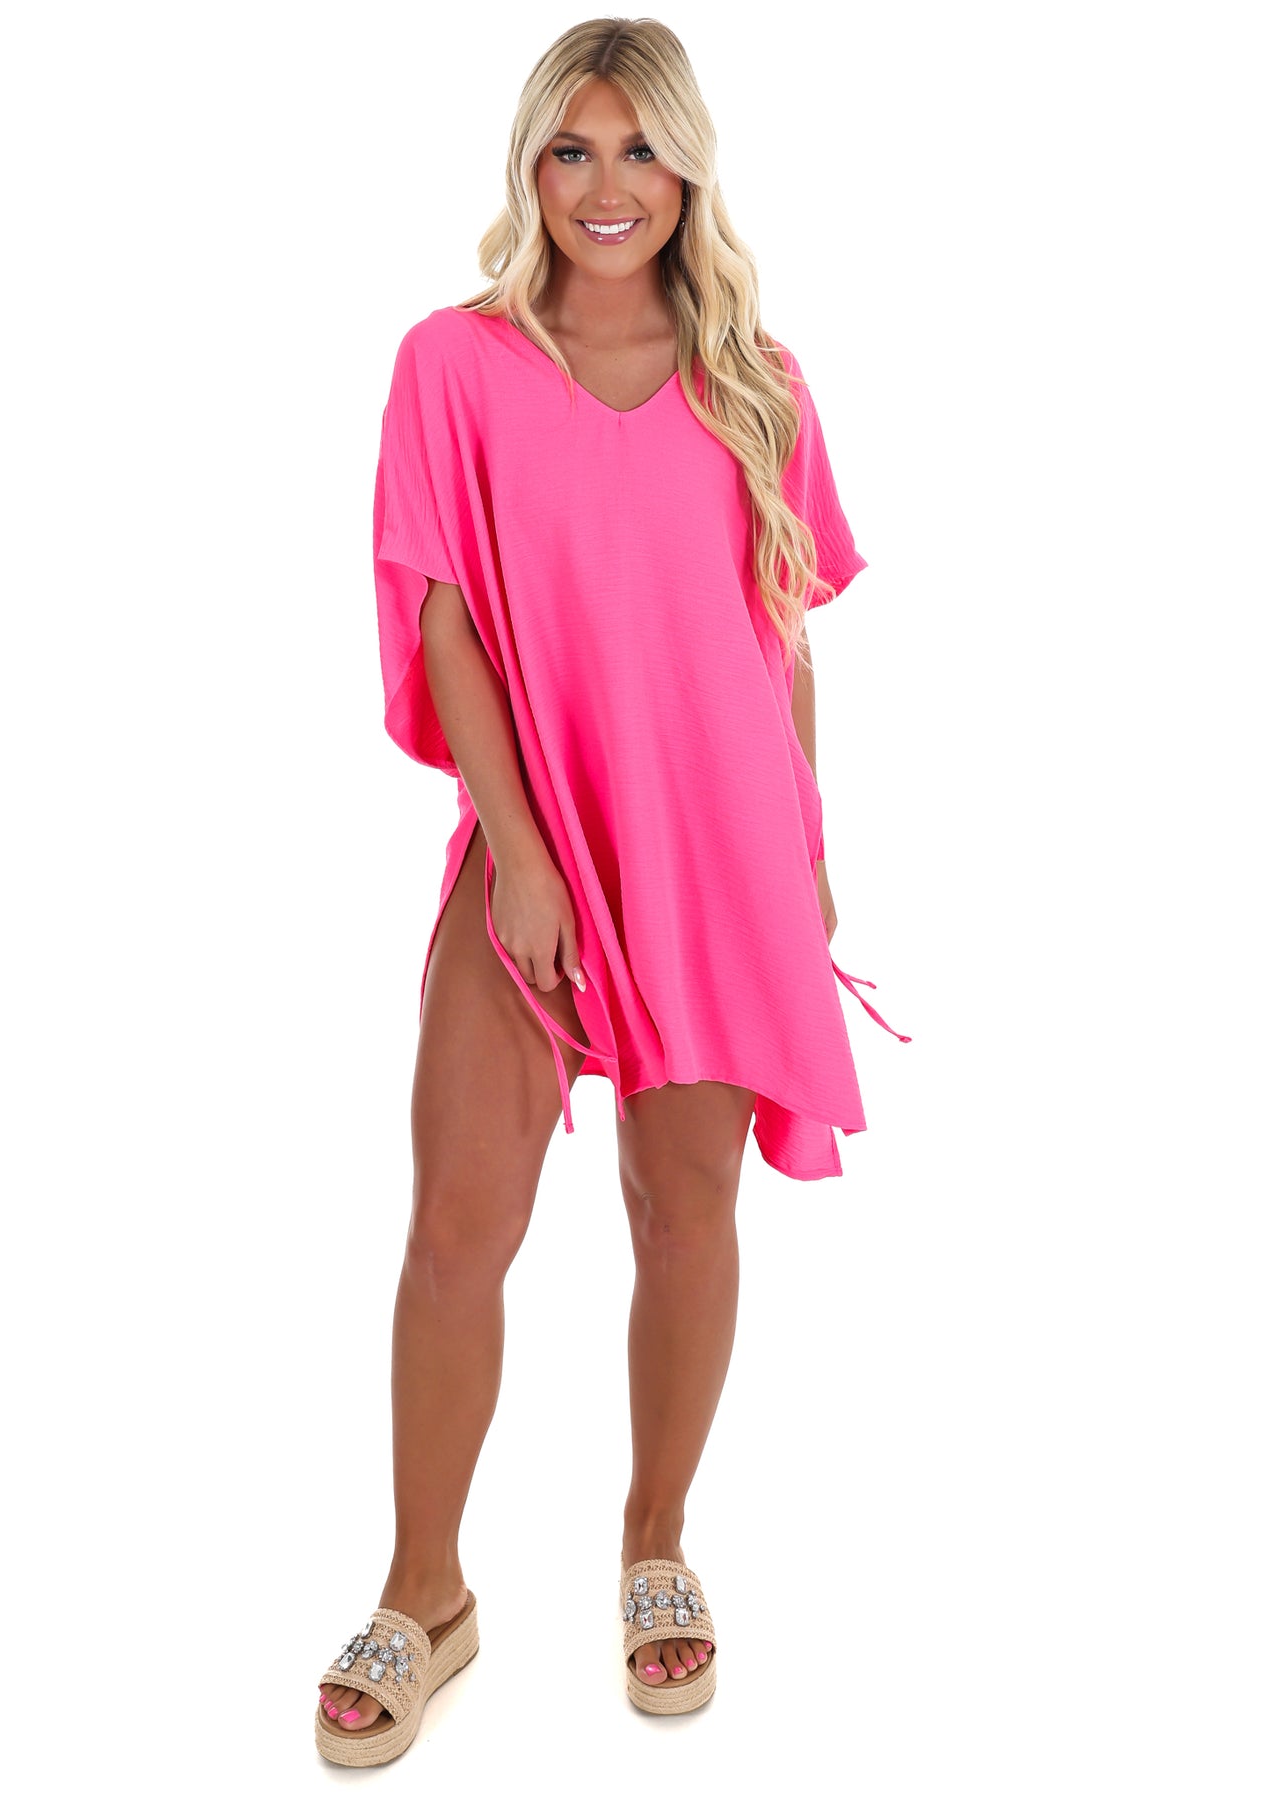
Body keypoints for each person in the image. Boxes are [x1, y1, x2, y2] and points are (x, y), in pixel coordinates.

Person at [315, 16, 908, 1766]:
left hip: (717, 846)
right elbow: (441, 612)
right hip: (536, 836)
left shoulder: (758, 380)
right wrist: (517, 856)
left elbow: (781, 635)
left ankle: (656, 1545)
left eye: (638, 149)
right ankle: (425, 1590)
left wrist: (804, 855)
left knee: (684, 1210)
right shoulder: (453, 363)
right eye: (571, 149)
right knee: (456, 1224)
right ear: (529, 165)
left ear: (687, 169)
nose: (604, 185)